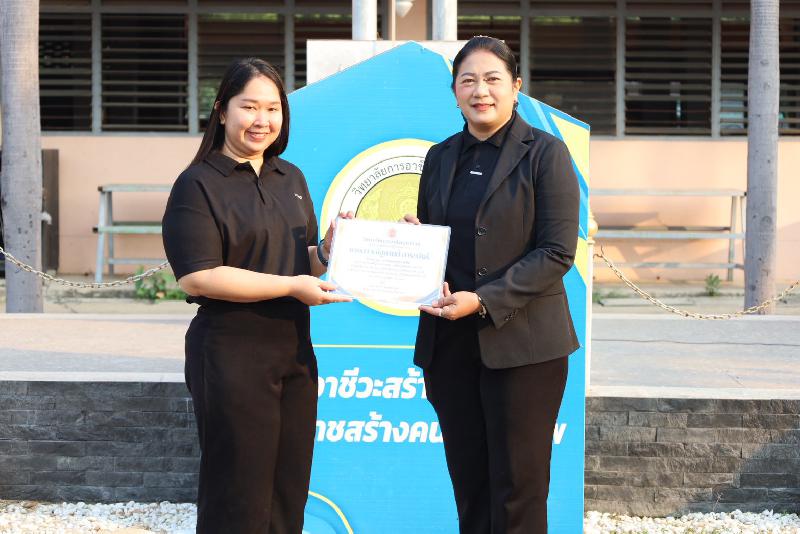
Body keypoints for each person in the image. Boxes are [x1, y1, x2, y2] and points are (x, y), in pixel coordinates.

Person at [161, 58, 350, 534]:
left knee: (288, 491)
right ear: (222, 110)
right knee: (238, 494)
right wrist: (291, 286)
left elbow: (302, 260)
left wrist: (329, 251)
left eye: (272, 108)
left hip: (293, 350)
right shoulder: (197, 184)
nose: (261, 120)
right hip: (230, 351)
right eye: (249, 107)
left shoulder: (292, 179)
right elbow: (199, 276)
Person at [404, 36, 580, 533]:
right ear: (454, 92)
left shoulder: (546, 153)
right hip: (450, 346)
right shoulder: (439, 156)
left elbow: (557, 252)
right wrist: (413, 246)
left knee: (519, 489)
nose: (480, 91)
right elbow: (439, 239)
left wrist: (482, 300)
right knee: (471, 485)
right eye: (468, 81)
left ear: (516, 87)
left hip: (525, 348)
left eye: (492, 79)